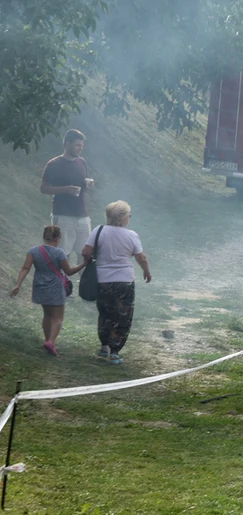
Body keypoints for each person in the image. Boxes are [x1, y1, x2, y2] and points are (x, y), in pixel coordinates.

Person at [82, 201, 151, 365]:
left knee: (105, 313)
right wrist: (146, 271)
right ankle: (115, 352)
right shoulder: (131, 235)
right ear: (124, 218)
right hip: (124, 280)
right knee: (122, 316)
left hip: (103, 279)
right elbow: (141, 257)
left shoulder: (98, 231)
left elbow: (86, 252)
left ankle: (104, 346)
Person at [9, 225, 87, 356]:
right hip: (55, 287)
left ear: (44, 236)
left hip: (40, 286)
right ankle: (50, 342)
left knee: (47, 315)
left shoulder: (33, 251)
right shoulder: (59, 253)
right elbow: (69, 271)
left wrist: (18, 285)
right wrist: (84, 264)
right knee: (58, 317)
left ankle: (47, 340)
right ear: (58, 237)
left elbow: (25, 268)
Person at [40, 129, 93, 261]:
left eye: (82, 146)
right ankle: (63, 281)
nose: (80, 148)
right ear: (67, 144)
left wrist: (88, 184)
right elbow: (43, 188)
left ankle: (85, 282)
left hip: (82, 215)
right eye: (77, 145)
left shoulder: (82, 162)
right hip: (63, 215)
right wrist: (65, 189)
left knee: (85, 253)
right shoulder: (54, 164)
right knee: (63, 254)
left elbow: (82, 182)